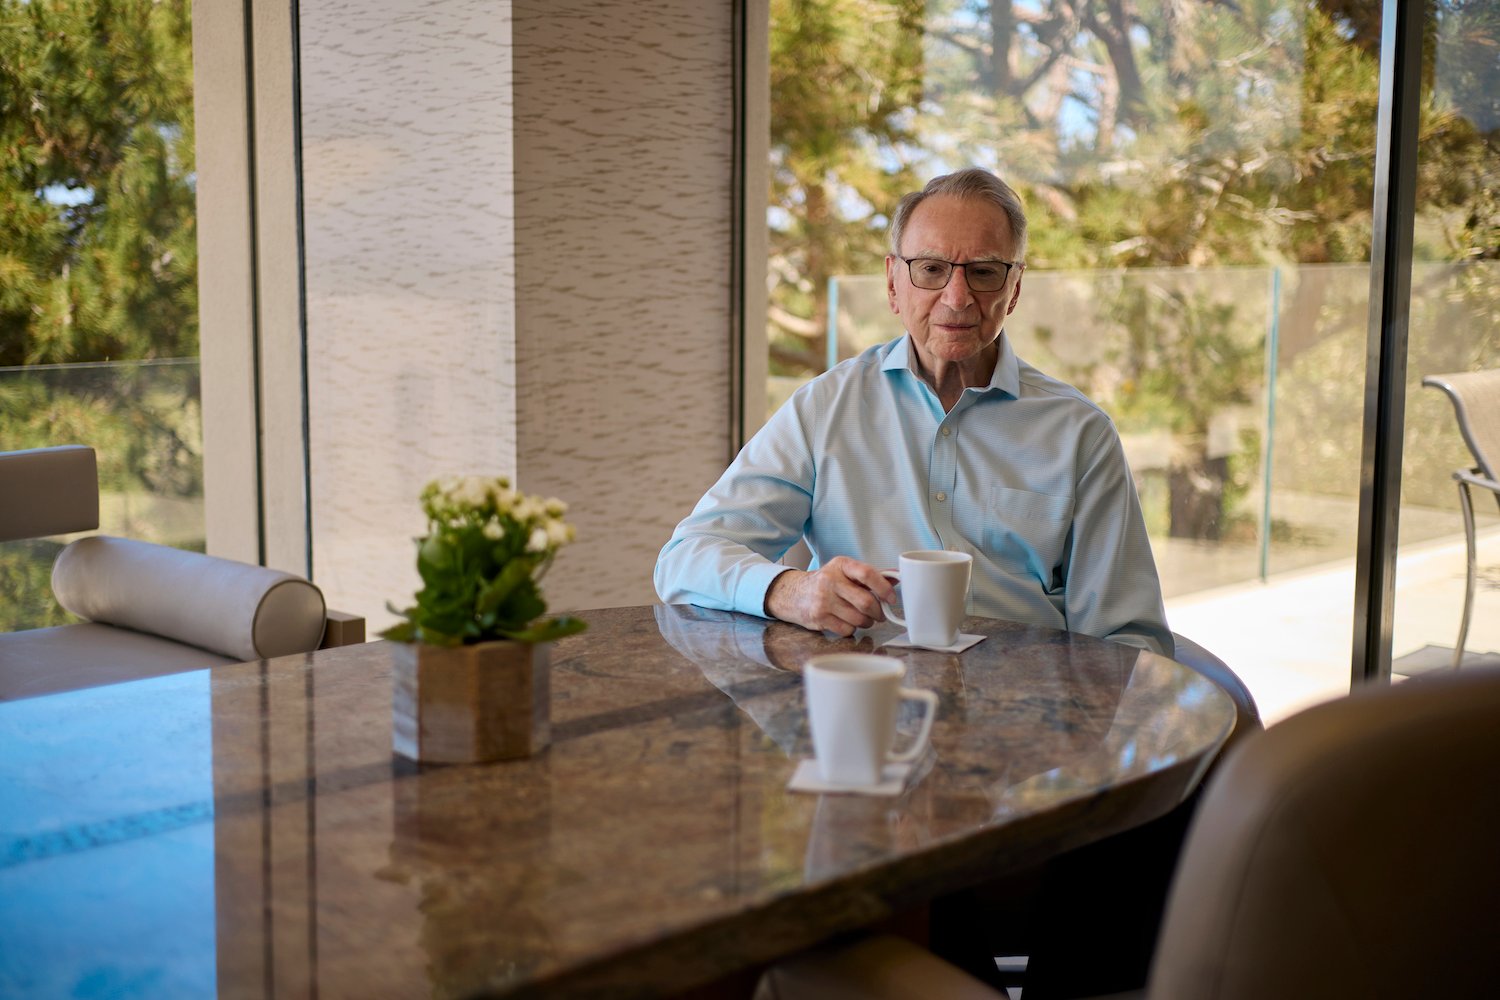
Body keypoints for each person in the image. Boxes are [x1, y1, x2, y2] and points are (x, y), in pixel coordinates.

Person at [655, 168, 1170, 656]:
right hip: (865, 698)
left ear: (1014, 290)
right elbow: (686, 559)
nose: (957, 296)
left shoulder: (1080, 432)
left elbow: (1129, 635)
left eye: (984, 272)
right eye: (930, 269)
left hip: (1025, 708)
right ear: (892, 282)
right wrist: (792, 591)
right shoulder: (826, 406)